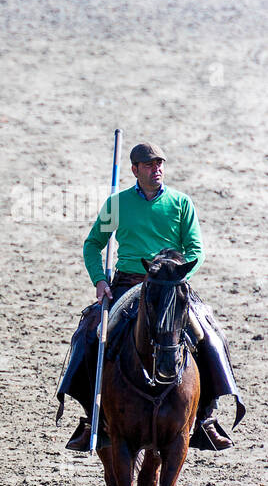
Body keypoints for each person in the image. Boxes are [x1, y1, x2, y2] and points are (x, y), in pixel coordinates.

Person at [58, 142, 244, 451]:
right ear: (135, 170)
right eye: (149, 165)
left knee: (210, 336)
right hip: (128, 283)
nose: (156, 169)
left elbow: (195, 249)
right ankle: (92, 417)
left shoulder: (181, 203)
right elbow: (93, 245)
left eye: (159, 164)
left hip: (170, 286)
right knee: (90, 333)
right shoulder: (116, 205)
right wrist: (100, 281)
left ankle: (206, 418)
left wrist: (177, 276)